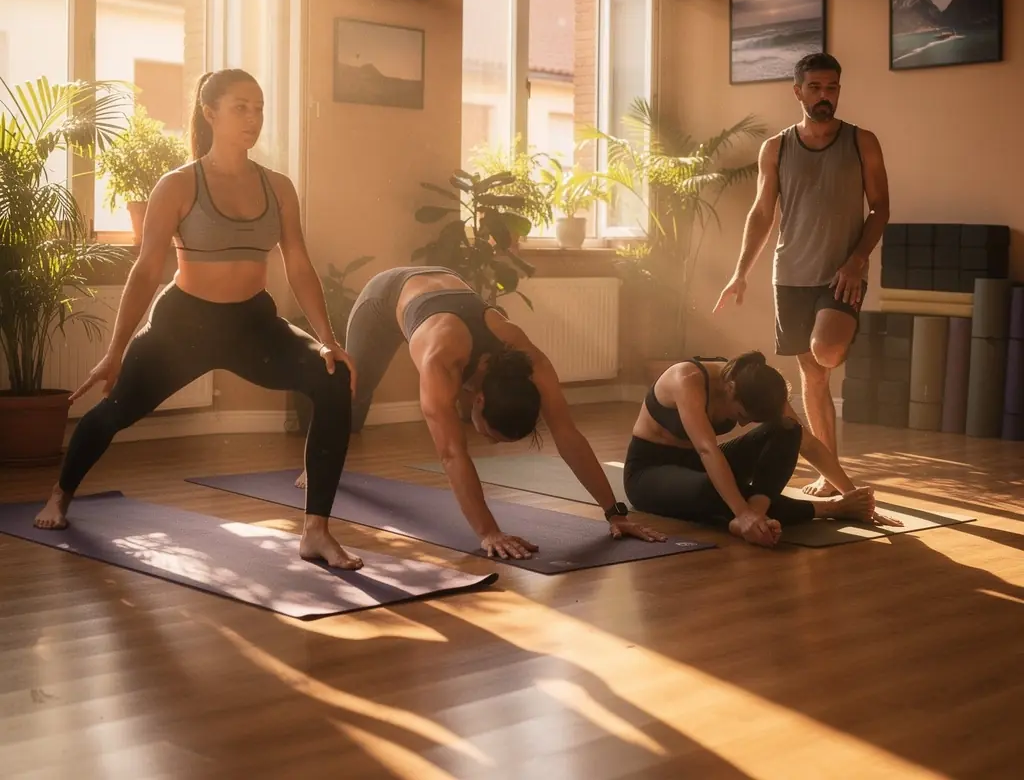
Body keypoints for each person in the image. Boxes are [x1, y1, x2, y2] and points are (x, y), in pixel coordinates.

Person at [33, 70, 364, 570]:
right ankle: (60, 494)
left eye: (258, 108)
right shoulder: (179, 184)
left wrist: (327, 340)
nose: (252, 118)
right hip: (183, 327)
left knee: (332, 379)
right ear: (209, 113)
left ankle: (315, 530)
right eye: (240, 108)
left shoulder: (278, 187)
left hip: (253, 324)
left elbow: (297, 262)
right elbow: (146, 271)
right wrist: (116, 349)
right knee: (114, 410)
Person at [296, 265, 666, 559]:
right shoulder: (440, 361)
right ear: (479, 400)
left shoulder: (529, 358)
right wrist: (489, 531)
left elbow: (568, 434)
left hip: (442, 291)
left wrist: (615, 512)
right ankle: (315, 463)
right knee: (351, 393)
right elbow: (452, 453)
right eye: (489, 434)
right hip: (384, 297)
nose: (484, 440)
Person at [714, 52, 890, 496]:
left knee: (826, 352)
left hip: (841, 275)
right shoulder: (775, 147)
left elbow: (881, 207)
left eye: (831, 88)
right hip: (790, 275)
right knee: (813, 378)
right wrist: (740, 274)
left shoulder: (861, 141)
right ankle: (829, 477)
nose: (824, 96)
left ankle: (842, 334)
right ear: (798, 92)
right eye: (815, 88)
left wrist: (857, 260)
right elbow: (761, 213)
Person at [623, 353, 902, 547]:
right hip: (649, 474)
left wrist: (851, 494)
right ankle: (826, 509)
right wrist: (741, 512)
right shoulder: (687, 379)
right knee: (714, 489)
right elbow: (708, 450)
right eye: (742, 414)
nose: (743, 423)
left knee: (788, 429)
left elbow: (807, 443)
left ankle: (756, 512)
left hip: (698, 466)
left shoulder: (757, 383)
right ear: (730, 388)